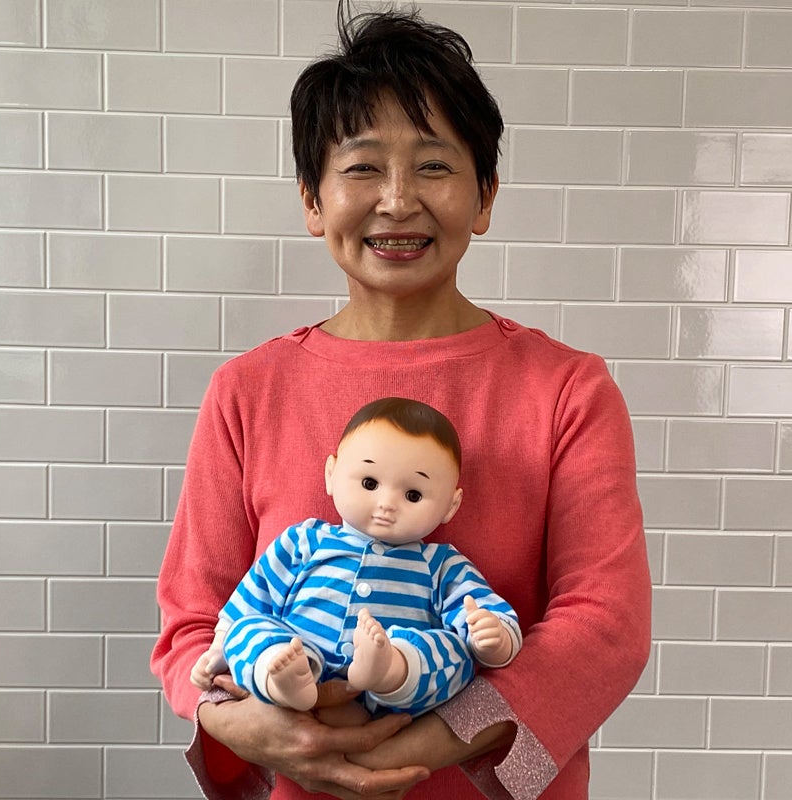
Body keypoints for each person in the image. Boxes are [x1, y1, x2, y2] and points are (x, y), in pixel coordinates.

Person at [151, 3, 651, 799]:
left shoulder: (568, 390)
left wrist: (407, 750)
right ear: (312, 201)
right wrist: (247, 724)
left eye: (434, 166)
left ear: (484, 197)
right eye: (360, 168)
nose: (396, 199)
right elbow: (191, 622)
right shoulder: (247, 391)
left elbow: (606, 625)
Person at [190, 397, 521, 718]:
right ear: (331, 474)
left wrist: (495, 640)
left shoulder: (440, 564)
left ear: (451, 505)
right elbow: (254, 598)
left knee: (456, 652)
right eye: (369, 482)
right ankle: (280, 678)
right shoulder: (305, 540)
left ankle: (391, 668)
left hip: (395, 688)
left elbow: (481, 610)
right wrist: (220, 649)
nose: (387, 504)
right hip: (302, 654)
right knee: (247, 628)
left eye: (413, 494)